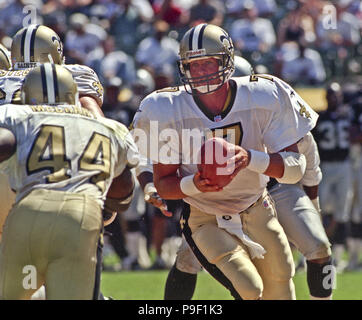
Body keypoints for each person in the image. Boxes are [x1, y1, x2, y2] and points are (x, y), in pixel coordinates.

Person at [132, 23, 318, 300]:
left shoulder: (264, 95)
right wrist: (195, 184)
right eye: (194, 65)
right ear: (184, 68)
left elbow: (294, 170)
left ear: (227, 61)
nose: (202, 72)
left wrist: (249, 159)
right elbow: (165, 185)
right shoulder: (165, 107)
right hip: (204, 215)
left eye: (209, 63)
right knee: (249, 288)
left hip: (256, 206)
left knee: (281, 284)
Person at [0, 63, 139, 299]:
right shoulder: (110, 127)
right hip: (80, 219)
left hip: (30, 212)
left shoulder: (15, 115)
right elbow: (123, 194)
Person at [313, 82, 354, 272]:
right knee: (317, 209)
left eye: (336, 95)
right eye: (330, 95)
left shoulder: (348, 114)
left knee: (342, 210)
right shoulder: (319, 118)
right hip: (326, 166)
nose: (333, 99)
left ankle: (337, 256)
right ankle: (316, 251)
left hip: (344, 165)